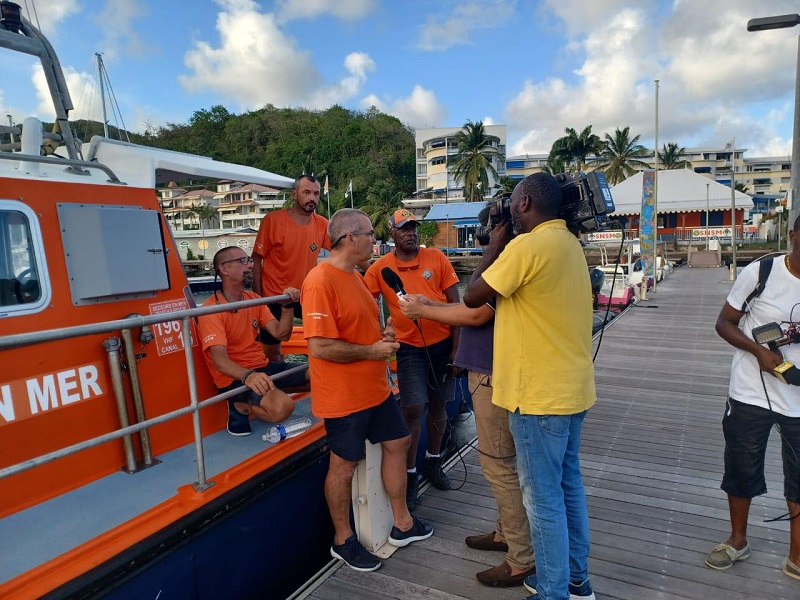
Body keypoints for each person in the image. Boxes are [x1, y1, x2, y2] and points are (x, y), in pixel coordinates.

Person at [464, 173, 597, 600]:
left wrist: (495, 246)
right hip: (572, 390)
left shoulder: (527, 246)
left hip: (537, 395)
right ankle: (576, 580)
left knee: (542, 500)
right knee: (567, 489)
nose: (508, 209)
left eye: (513, 200)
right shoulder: (569, 244)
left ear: (524, 204)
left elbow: (472, 296)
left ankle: (554, 591)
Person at [398, 223, 536, 589]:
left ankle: (520, 556)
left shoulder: (508, 264)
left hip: (493, 376)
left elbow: (475, 311)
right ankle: (506, 533)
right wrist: (431, 304)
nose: (483, 235)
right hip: (487, 372)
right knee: (499, 461)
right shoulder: (504, 264)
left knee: (499, 465)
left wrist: (423, 311)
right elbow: (469, 299)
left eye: (490, 230)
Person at [301, 208, 433, 573]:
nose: (375, 240)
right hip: (343, 397)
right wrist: (373, 351)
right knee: (343, 466)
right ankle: (343, 540)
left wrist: (384, 335)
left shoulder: (358, 277)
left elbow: (361, 331)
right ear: (349, 238)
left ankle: (402, 523)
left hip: (375, 389)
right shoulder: (319, 280)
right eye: (370, 234)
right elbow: (320, 347)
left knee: (399, 442)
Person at [705, 215, 800, 581]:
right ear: (793, 237)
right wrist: (759, 352)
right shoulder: (761, 273)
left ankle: (796, 556)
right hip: (750, 391)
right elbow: (724, 323)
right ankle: (737, 540)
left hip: (797, 397)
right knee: (742, 468)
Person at [364, 209, 461, 511]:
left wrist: (458, 350)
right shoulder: (380, 268)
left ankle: (434, 460)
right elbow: (363, 303)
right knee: (412, 408)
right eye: (404, 228)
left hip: (443, 344)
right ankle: (409, 474)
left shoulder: (437, 259)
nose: (410, 233)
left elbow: (457, 305)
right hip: (409, 349)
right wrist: (381, 333)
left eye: (414, 227)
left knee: (439, 405)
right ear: (391, 233)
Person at [197, 247, 310, 437]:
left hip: (261, 368)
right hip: (234, 378)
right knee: (283, 407)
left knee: (319, 374)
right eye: (243, 261)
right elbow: (220, 360)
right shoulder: (211, 310)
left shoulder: (253, 300)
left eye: (249, 260)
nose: (250, 265)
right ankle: (240, 405)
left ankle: (269, 391)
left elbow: (281, 334)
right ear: (224, 269)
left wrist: (288, 306)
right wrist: (248, 376)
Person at [252, 174, 331, 361]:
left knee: (327, 330)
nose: (312, 198)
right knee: (272, 351)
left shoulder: (322, 224)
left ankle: (323, 372)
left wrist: (368, 269)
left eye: (316, 193)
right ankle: (276, 380)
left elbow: (342, 251)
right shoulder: (273, 220)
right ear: (294, 194)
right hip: (273, 295)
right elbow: (256, 260)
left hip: (304, 294)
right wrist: (257, 299)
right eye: (306, 192)